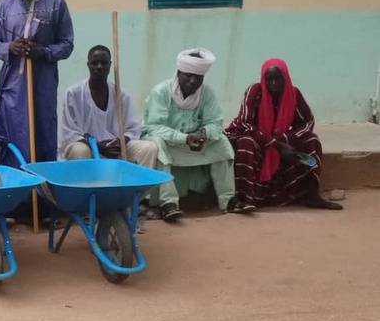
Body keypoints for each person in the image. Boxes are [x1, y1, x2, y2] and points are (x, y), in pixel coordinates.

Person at [142, 49, 255, 221]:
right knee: (156, 145)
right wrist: (185, 138)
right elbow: (155, 126)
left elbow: (215, 122)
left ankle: (228, 200)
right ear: (179, 73)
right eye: (188, 75)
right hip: (167, 142)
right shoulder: (161, 92)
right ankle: (168, 204)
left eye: (198, 77)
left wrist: (203, 134)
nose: (193, 81)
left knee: (221, 143)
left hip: (193, 143)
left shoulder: (206, 93)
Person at [0, 0, 74, 168]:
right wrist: (10, 47)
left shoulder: (56, 4)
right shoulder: (4, 6)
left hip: (43, 84)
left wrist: (42, 52)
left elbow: (67, 45)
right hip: (13, 87)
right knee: (14, 136)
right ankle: (18, 195)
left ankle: (42, 193)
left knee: (43, 131)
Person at [224, 58, 342, 210]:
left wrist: (285, 139)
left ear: (285, 77)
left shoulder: (293, 94)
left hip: (280, 138)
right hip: (256, 139)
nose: (274, 83)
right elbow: (246, 124)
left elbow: (307, 122)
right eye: (269, 79)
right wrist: (276, 144)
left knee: (312, 140)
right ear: (263, 80)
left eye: (278, 78)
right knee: (246, 143)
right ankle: (248, 199)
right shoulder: (254, 92)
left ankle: (312, 195)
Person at [58, 45, 158, 167]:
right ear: (88, 65)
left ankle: (140, 186)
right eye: (95, 63)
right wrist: (97, 146)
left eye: (104, 63)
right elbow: (69, 132)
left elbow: (132, 128)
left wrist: (121, 141)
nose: (99, 67)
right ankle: (83, 185)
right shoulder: (73, 93)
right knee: (79, 150)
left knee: (148, 148)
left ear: (110, 65)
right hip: (87, 147)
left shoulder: (121, 95)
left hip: (115, 148)